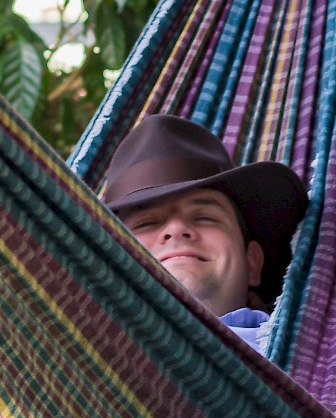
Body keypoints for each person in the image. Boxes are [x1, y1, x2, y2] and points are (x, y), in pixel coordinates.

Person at [100, 115, 308, 355]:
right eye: (147, 222)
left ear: (252, 263)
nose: (176, 229)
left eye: (204, 217)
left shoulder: (317, 365)